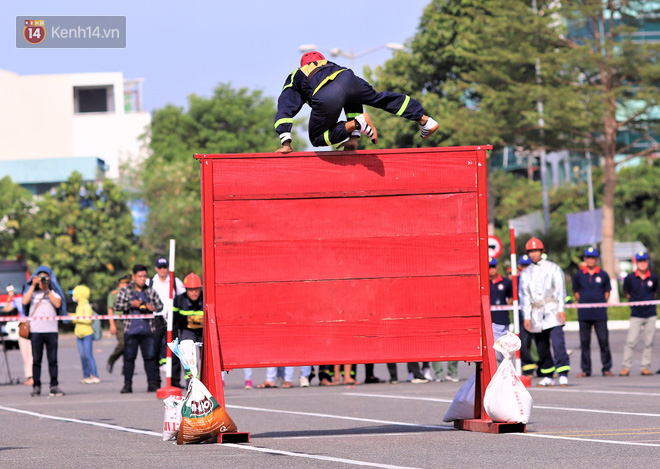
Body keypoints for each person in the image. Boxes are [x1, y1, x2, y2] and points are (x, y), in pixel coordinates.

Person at [274, 51, 439, 153]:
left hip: (326, 93)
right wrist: (353, 139)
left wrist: (286, 142)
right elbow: (351, 100)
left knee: (317, 138)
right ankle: (425, 120)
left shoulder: (297, 75)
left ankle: (355, 125)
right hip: (349, 77)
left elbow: (285, 108)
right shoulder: (332, 65)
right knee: (379, 98)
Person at [519, 237, 571, 387]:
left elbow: (560, 290)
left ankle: (562, 373)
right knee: (541, 346)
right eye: (531, 251)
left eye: (536, 251)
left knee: (558, 343)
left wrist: (561, 309)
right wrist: (526, 316)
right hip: (535, 313)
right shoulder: (525, 273)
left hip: (552, 310)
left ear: (542, 251)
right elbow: (524, 296)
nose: (534, 254)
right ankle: (548, 374)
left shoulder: (553, 268)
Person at [113, 264, 164, 393]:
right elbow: (117, 305)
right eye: (140, 276)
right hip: (131, 330)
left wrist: (151, 306)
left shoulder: (150, 291)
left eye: (145, 276)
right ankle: (127, 384)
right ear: (134, 277)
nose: (142, 279)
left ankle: (152, 384)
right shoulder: (126, 291)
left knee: (150, 357)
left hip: (148, 330)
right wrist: (132, 304)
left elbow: (160, 306)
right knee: (129, 358)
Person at [21, 266, 67, 397]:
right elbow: (24, 301)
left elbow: (58, 304)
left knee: (53, 360)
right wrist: (32, 285)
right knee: (36, 360)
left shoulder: (53, 292)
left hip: (51, 330)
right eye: (40, 277)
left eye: (45, 278)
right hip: (36, 330)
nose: (42, 280)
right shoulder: (32, 293)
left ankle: (54, 385)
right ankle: (36, 386)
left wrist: (47, 290)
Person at [572, 247, 613, 378]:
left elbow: (607, 292)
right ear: (585, 259)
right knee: (584, 343)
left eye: (593, 257)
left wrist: (599, 303)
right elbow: (576, 292)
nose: (590, 260)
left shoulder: (603, 275)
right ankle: (586, 369)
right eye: (588, 257)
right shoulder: (578, 275)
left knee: (603, 341)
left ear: (596, 259)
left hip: (600, 314)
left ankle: (606, 368)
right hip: (584, 314)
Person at [620, 251, 658, 376]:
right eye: (640, 261)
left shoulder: (653, 277)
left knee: (649, 342)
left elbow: (655, 293)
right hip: (636, 314)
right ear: (636, 263)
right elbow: (626, 293)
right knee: (631, 341)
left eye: (644, 261)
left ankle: (645, 367)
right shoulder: (630, 278)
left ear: (647, 262)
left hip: (650, 313)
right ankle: (626, 367)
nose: (642, 263)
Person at [151, 256, 184, 380]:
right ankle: (154, 381)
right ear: (156, 268)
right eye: (160, 267)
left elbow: (183, 298)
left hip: (172, 320)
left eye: (165, 267)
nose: (162, 270)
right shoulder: (151, 282)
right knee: (154, 351)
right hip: (156, 319)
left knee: (174, 351)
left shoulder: (176, 282)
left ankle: (175, 381)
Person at [70, 285, 100, 384]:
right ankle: (86, 375)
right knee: (82, 356)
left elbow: (88, 320)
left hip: (87, 334)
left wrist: (74, 318)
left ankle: (94, 375)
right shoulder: (79, 305)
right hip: (79, 334)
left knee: (88, 355)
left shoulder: (86, 306)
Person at [3, 285, 32, 386]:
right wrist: (9, 297)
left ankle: (33, 376)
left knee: (33, 352)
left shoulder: (34, 298)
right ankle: (30, 376)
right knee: (25, 352)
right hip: (24, 326)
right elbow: (6, 309)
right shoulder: (18, 299)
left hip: (33, 325)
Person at [106, 274, 131, 374]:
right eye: (126, 283)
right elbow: (110, 309)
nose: (127, 285)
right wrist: (112, 324)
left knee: (129, 345)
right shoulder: (114, 294)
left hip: (129, 320)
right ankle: (112, 359)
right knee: (123, 343)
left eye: (129, 283)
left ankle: (126, 368)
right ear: (120, 283)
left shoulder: (131, 293)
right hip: (119, 321)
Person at [517, 254, 537, 377]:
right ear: (519, 267)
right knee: (524, 342)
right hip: (523, 315)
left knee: (541, 342)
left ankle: (544, 367)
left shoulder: (537, 278)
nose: (525, 268)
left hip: (538, 313)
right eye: (523, 266)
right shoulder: (516, 280)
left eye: (527, 265)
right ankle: (528, 368)